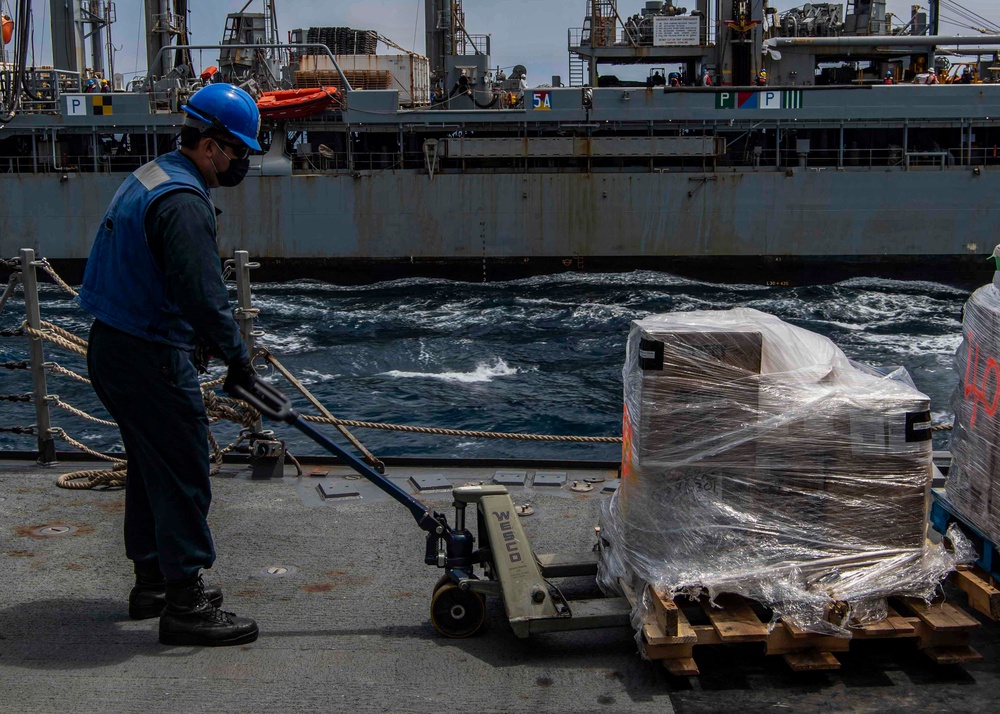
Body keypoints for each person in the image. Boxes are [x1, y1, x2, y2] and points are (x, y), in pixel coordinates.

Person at [76, 82, 263, 647]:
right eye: (238, 152)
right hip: (149, 357)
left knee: (151, 466)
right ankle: (186, 606)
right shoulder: (184, 202)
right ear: (209, 145)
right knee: (183, 470)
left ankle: (152, 583)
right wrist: (237, 358)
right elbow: (202, 293)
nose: (242, 164)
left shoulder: (153, 174)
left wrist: (196, 337)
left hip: (113, 346)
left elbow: (158, 277)